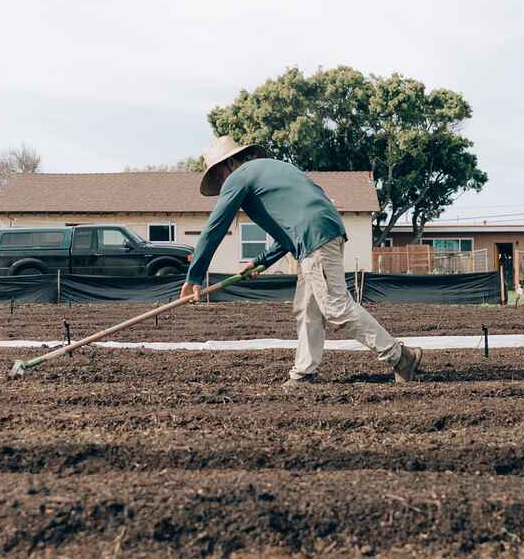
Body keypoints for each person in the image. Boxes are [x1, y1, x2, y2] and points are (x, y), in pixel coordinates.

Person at [179, 135, 422, 388]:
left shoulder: (238, 177)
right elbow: (293, 225)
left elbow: (214, 229)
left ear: (226, 166)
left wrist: (194, 277)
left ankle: (400, 356)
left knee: (335, 307)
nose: (221, 184)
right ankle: (304, 372)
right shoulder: (275, 169)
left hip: (315, 239)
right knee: (307, 308)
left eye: (218, 178)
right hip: (320, 234)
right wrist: (261, 261)